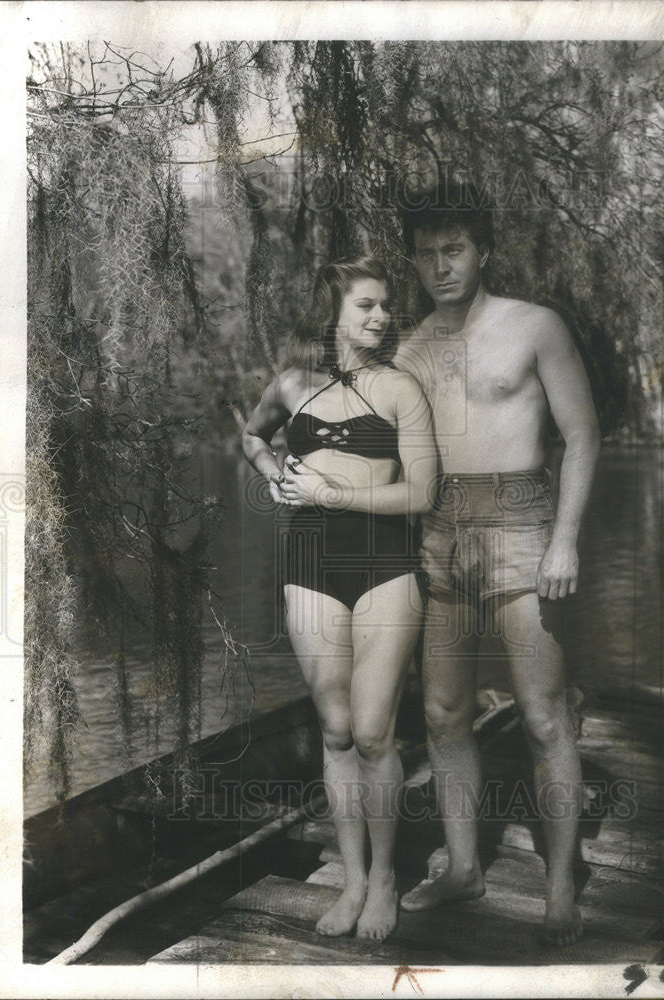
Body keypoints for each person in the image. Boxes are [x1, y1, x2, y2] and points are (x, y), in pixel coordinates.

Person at [393, 180, 600, 947]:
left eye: (454, 250)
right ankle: (463, 867)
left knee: (543, 712)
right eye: (426, 255)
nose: (440, 266)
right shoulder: (410, 347)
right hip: (439, 528)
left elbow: (581, 436)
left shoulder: (535, 327)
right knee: (443, 711)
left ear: (483, 251)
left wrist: (566, 538)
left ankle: (559, 887)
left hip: (522, 523)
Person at [242, 257, 437, 942]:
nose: (382, 318)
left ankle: (385, 879)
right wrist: (271, 472)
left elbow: (422, 493)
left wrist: (333, 494)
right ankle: (352, 880)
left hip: (385, 564)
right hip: (309, 564)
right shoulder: (292, 384)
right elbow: (250, 434)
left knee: (374, 729)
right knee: (333, 729)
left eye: (386, 306)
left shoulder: (400, 389)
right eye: (366, 306)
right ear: (333, 313)